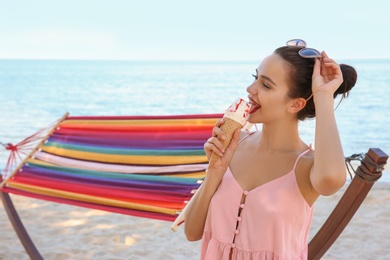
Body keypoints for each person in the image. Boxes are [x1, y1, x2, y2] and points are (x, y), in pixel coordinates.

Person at [184, 39, 358, 259]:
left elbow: (332, 179)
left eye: (266, 85)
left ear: (296, 104)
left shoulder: (306, 166)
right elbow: (191, 232)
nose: (250, 89)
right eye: (255, 78)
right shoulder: (234, 144)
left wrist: (323, 95)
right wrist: (215, 171)